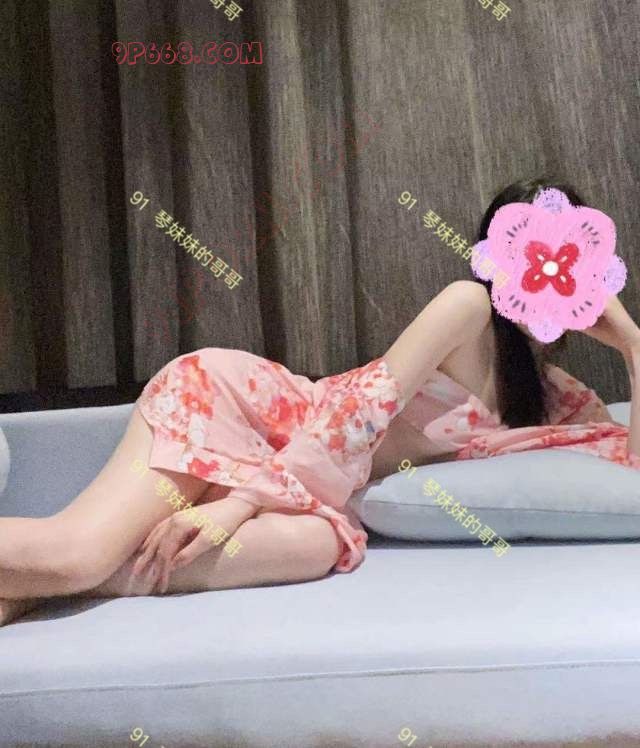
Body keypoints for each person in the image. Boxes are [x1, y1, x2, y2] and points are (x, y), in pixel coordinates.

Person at [1, 176, 639, 627]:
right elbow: (357, 412)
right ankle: (67, 573)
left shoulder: (559, 399)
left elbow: (631, 476)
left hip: (303, 491)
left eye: (573, 260)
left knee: (317, 547)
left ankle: (45, 588)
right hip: (242, 409)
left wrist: (633, 345)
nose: (552, 272)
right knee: (75, 553)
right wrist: (241, 504)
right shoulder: (466, 306)